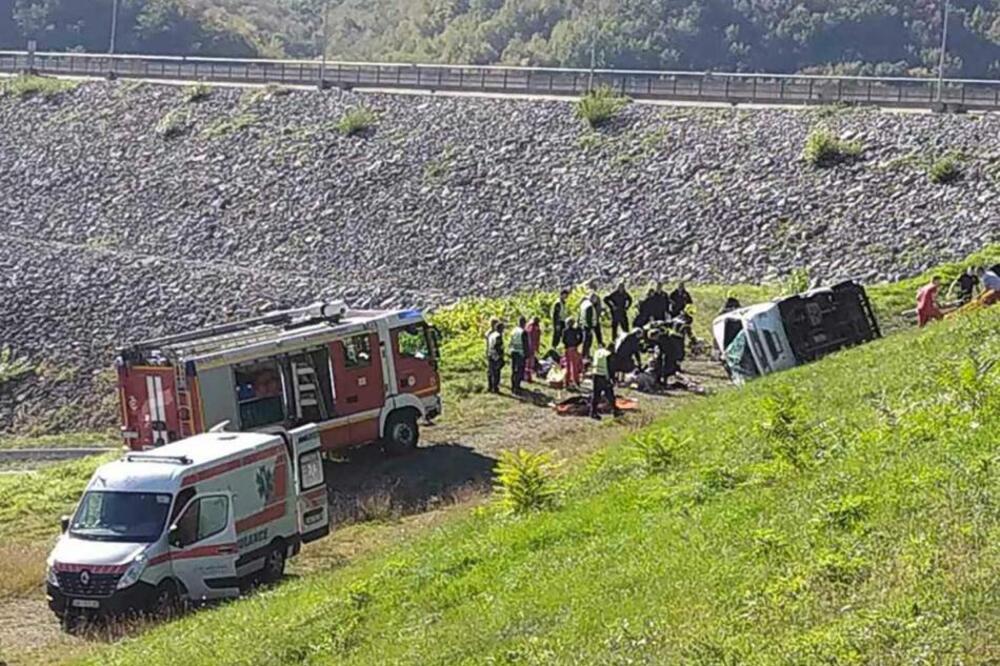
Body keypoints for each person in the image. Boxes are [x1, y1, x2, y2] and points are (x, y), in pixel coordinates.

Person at [590, 343, 620, 420]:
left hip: (595, 374)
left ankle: (593, 412)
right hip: (604, 376)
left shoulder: (598, 352)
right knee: (610, 394)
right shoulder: (609, 355)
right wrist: (612, 379)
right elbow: (610, 368)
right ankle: (615, 411)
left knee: (596, 394)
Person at [562, 317, 584, 388]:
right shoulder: (575, 331)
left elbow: (563, 340)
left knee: (567, 366)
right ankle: (576, 381)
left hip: (567, 348)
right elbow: (581, 338)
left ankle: (567, 382)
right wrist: (577, 343)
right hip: (574, 348)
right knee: (574, 366)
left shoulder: (565, 331)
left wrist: (566, 345)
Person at [509, 317, 529, 395]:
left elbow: (511, 341)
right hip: (521, 353)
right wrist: (527, 354)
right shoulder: (523, 332)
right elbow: (525, 344)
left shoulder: (513, 331)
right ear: (524, 323)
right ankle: (517, 387)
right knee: (520, 370)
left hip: (513, 352)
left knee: (514, 370)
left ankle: (513, 386)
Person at [580, 293, 602, 359]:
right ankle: (585, 355)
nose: (596, 301)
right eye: (595, 299)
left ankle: (586, 354)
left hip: (584, 325)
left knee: (586, 341)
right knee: (588, 342)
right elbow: (589, 318)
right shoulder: (590, 306)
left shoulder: (585, 303)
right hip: (588, 327)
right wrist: (590, 328)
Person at [486, 321, 504, 394]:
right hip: (495, 356)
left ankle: (490, 386)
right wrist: (500, 356)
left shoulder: (491, 335)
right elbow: (498, 347)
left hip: (490, 354)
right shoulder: (498, 336)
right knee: (496, 373)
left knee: (490, 371)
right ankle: (495, 387)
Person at [524, 316, 542, 382]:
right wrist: (537, 348)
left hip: (527, 347)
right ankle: (528, 377)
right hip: (531, 347)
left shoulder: (528, 326)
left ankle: (526, 376)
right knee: (529, 363)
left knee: (527, 362)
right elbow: (537, 339)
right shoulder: (535, 328)